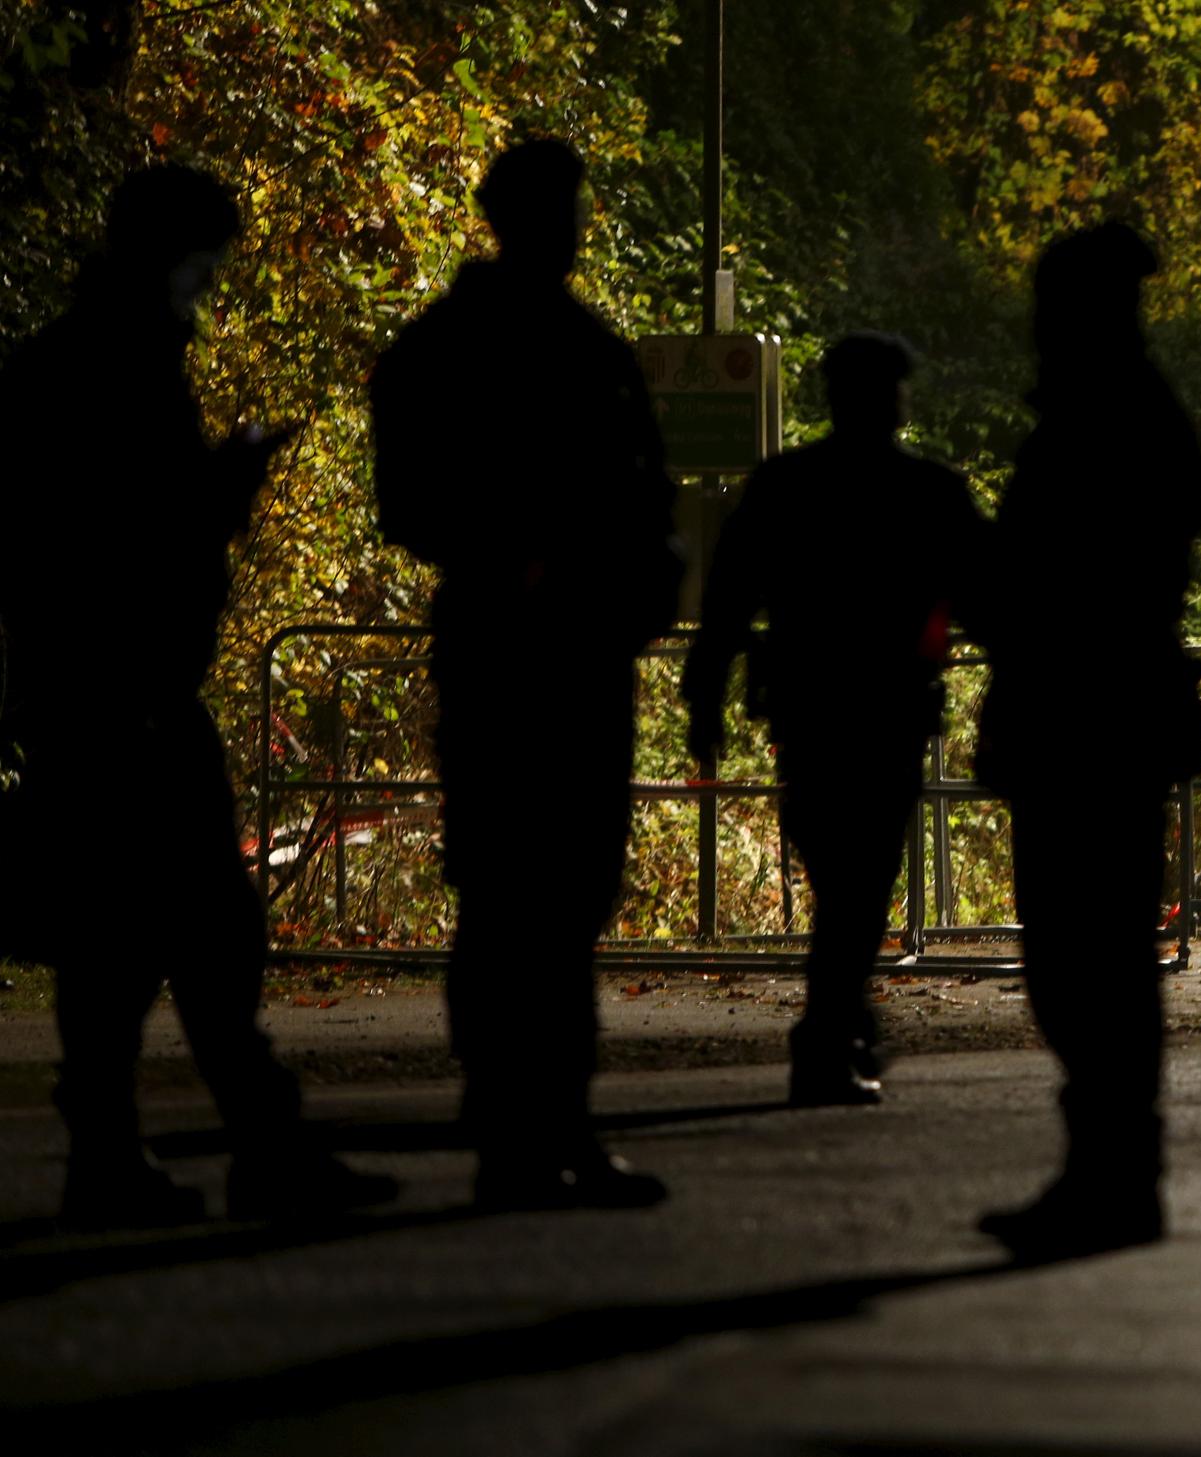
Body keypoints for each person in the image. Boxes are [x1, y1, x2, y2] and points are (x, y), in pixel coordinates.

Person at [0, 166, 396, 1226]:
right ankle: (256, 1147)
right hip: (131, 692)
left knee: (115, 938)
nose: (209, 285)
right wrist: (227, 484)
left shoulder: (57, 364)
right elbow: (138, 533)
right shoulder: (118, 370)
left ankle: (120, 1152)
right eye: (204, 262)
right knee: (206, 932)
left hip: (84, 689)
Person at [370, 140, 683, 1209]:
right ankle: (529, 1121)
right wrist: (525, 560)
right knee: (520, 889)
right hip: (525, 642)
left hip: (565, 644)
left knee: (557, 887)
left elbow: (645, 495)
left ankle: (542, 1117)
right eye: (564, 204)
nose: (575, 220)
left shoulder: (519, 346)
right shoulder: (506, 348)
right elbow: (411, 499)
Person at [967, 221, 1201, 1259]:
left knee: (1082, 949)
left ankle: (1110, 1171)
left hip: (1080, 709)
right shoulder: (1135, 412)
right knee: (1094, 948)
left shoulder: (1094, 419)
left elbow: (1046, 574)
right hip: (1108, 708)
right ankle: (1114, 1167)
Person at [683, 332, 986, 1107]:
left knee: (837, 871)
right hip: (888, 711)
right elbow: (992, 599)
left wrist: (706, 698)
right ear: (896, 399)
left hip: (809, 707)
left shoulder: (785, 484)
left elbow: (727, 599)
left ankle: (836, 1024)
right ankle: (833, 1028)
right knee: (862, 876)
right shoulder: (929, 491)